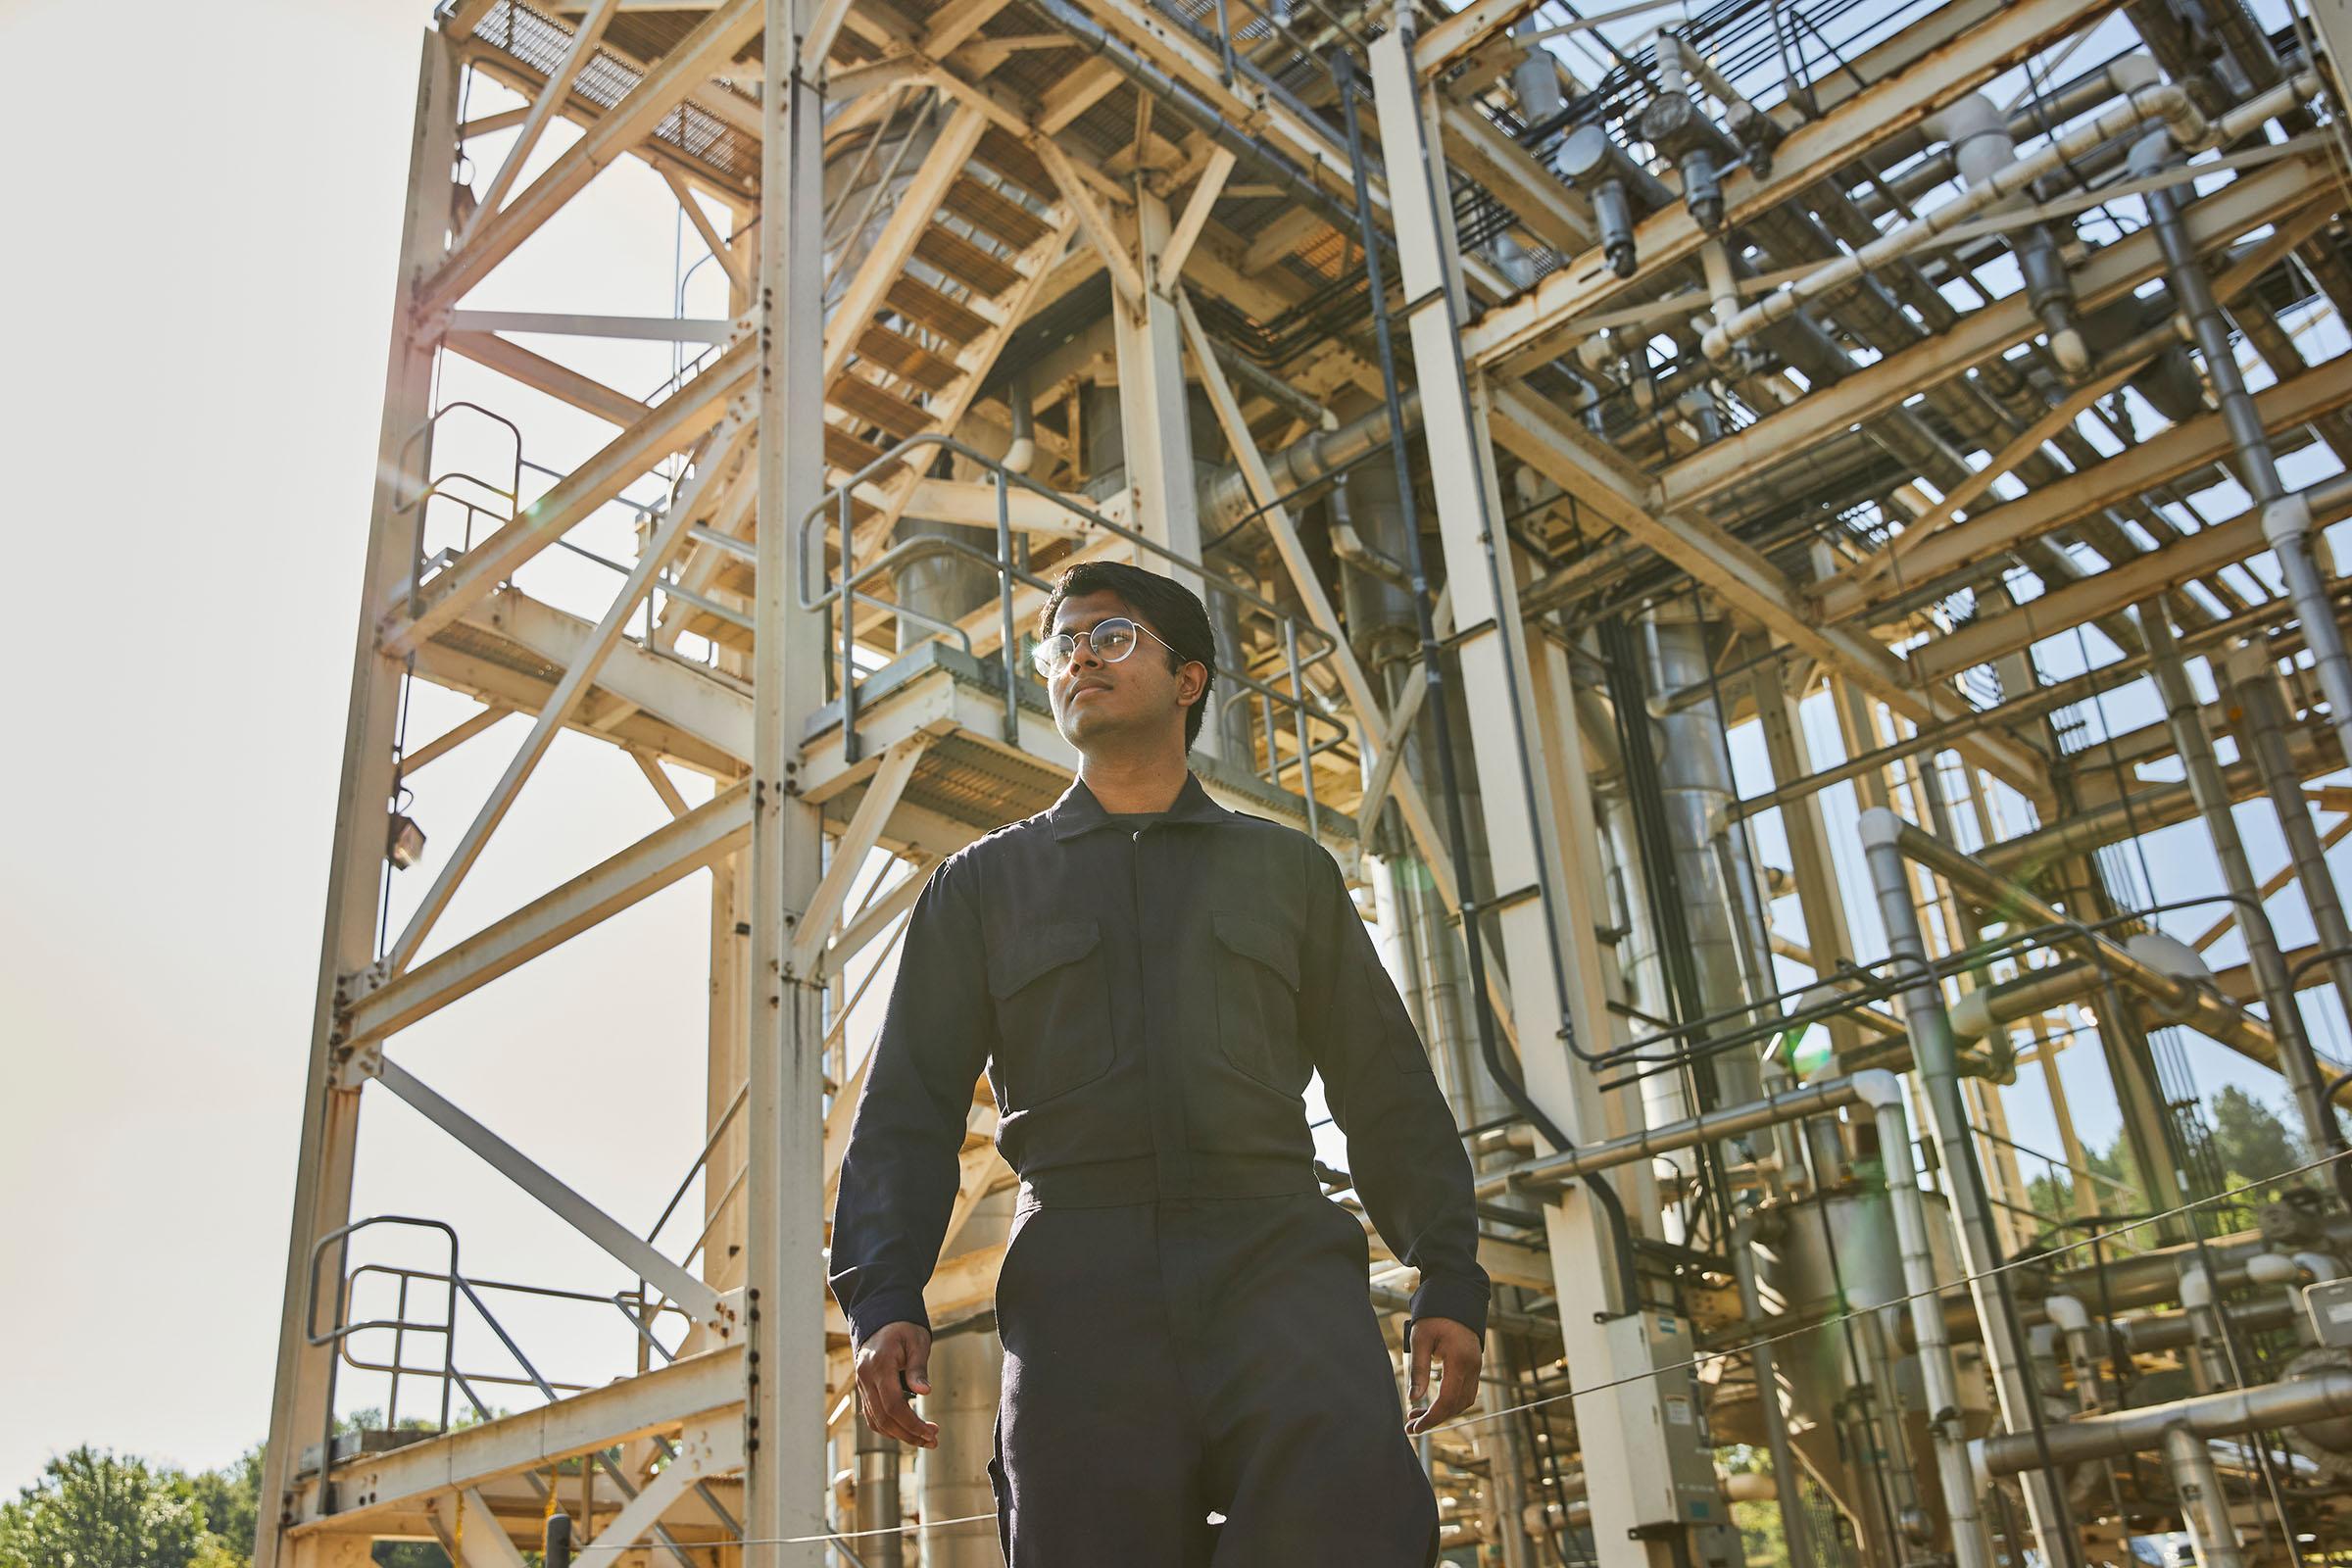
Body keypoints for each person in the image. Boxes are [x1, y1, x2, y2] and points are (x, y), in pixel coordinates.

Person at [827, 560, 1489, 1566]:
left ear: (1189, 680)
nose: (1080, 654)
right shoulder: (982, 888)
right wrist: (884, 1296)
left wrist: (1448, 1270)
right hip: (1081, 1287)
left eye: (1114, 635)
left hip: (1276, 1261)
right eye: (1063, 644)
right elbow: (908, 1106)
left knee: (1358, 1521)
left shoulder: (1288, 874)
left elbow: (1383, 1085)